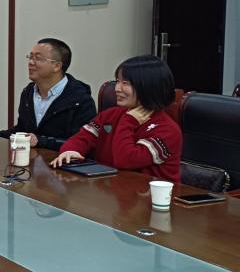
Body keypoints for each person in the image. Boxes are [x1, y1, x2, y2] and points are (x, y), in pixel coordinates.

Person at [51, 55, 181, 182]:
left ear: (149, 86)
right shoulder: (110, 115)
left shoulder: (167, 130)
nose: (117, 89)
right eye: (117, 81)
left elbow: (125, 160)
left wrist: (129, 121)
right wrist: (70, 151)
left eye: (125, 83)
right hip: (111, 189)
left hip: (148, 194)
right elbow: (81, 139)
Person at [0, 37, 96, 150]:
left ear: (57, 66)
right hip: (32, 160)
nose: (31, 62)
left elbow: (83, 142)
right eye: (30, 57)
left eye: (38, 58)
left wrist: (41, 141)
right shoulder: (28, 92)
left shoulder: (79, 99)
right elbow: (22, 131)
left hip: (62, 162)